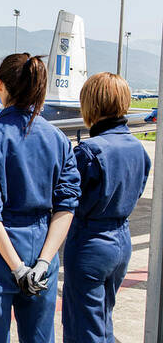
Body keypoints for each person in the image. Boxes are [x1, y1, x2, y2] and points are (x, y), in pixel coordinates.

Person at [0, 53, 81, 342]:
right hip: (44, 246)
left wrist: (17, 267)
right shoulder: (59, 140)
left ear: (1, 86)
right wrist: (42, 263)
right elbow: (66, 206)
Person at [62, 72, 151, 343]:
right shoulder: (138, 149)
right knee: (102, 319)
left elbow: (67, 201)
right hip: (122, 241)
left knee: (83, 327)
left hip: (90, 242)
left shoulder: (89, 152)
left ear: (91, 104)